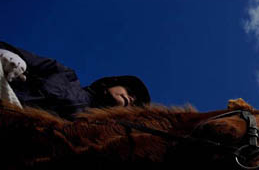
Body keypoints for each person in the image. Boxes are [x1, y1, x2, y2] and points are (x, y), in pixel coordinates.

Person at [0, 41, 150, 119]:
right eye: (130, 91)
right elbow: (23, 55)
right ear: (109, 84)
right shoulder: (65, 75)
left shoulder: (91, 137)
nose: (131, 98)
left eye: (134, 104)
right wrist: (7, 54)